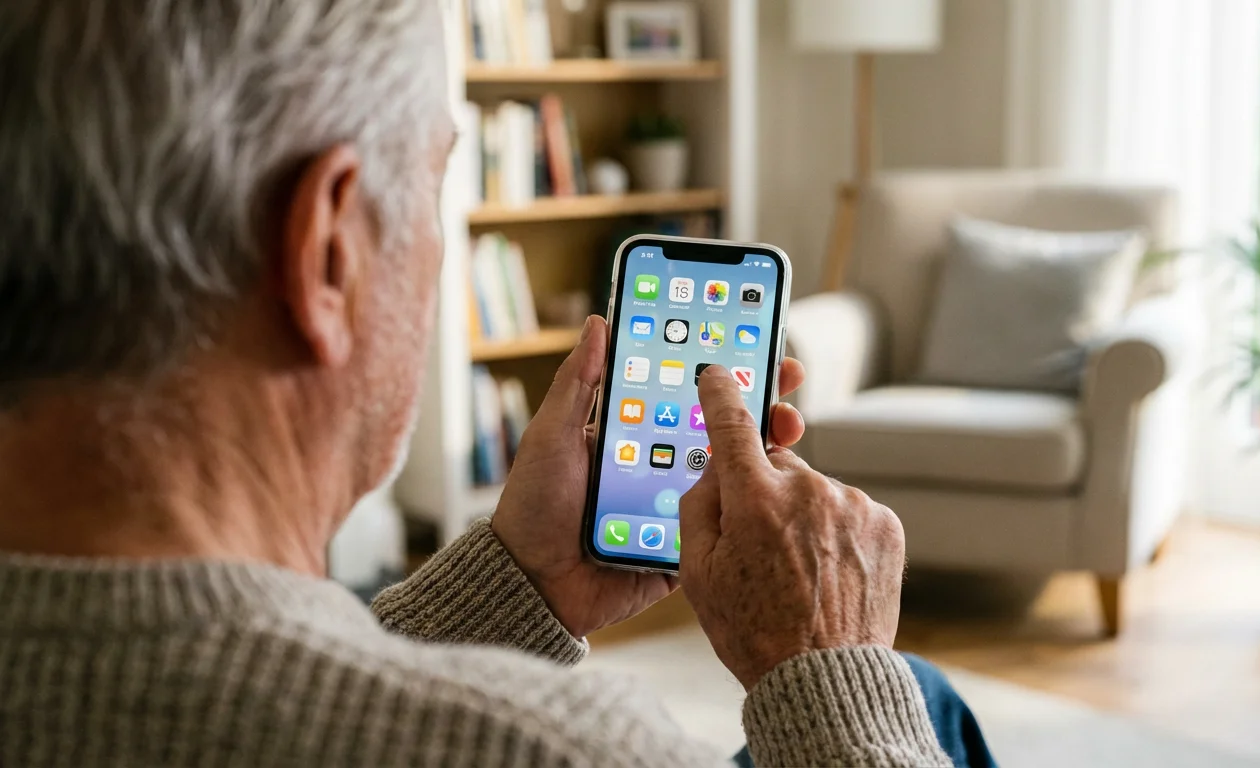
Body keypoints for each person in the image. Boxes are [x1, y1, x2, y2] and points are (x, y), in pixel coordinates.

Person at [0, 1, 994, 766]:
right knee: (910, 699)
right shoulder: (560, 749)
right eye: (438, 186)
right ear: (329, 252)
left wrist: (517, 582)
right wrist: (830, 676)